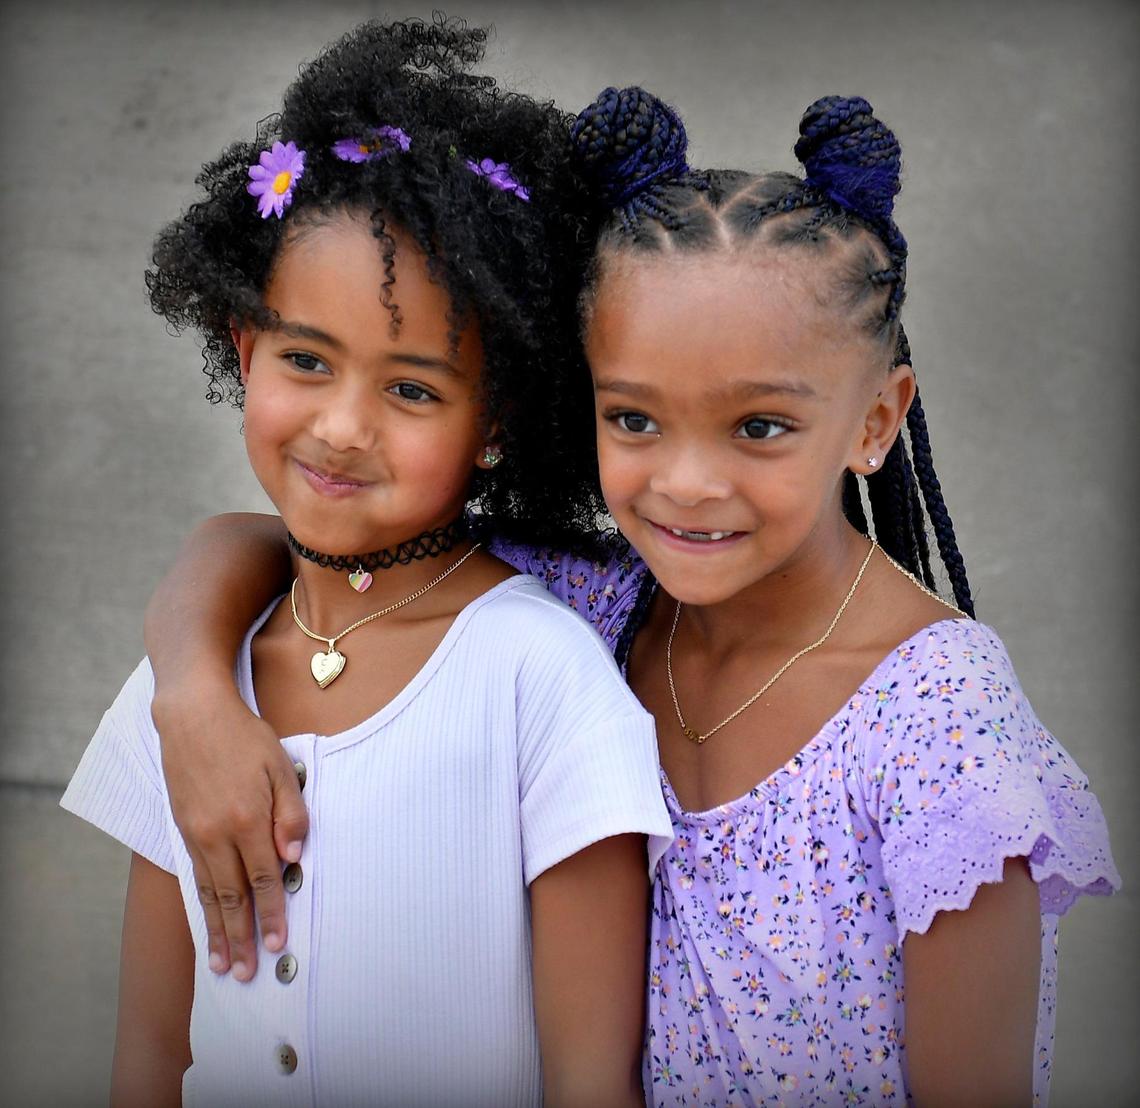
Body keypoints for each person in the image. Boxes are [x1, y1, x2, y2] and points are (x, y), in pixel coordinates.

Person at [133, 87, 1118, 1106]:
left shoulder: (938, 727)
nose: (687, 483)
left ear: (877, 419)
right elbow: (284, 545)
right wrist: (194, 693)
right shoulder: (600, 603)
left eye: (761, 428)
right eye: (635, 419)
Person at [60, 22, 674, 1108]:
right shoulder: (182, 692)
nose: (343, 427)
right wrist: (193, 692)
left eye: (413, 389)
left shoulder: (546, 680)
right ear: (244, 350)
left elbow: (594, 1084)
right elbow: (150, 1057)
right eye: (305, 359)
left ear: (496, 424)